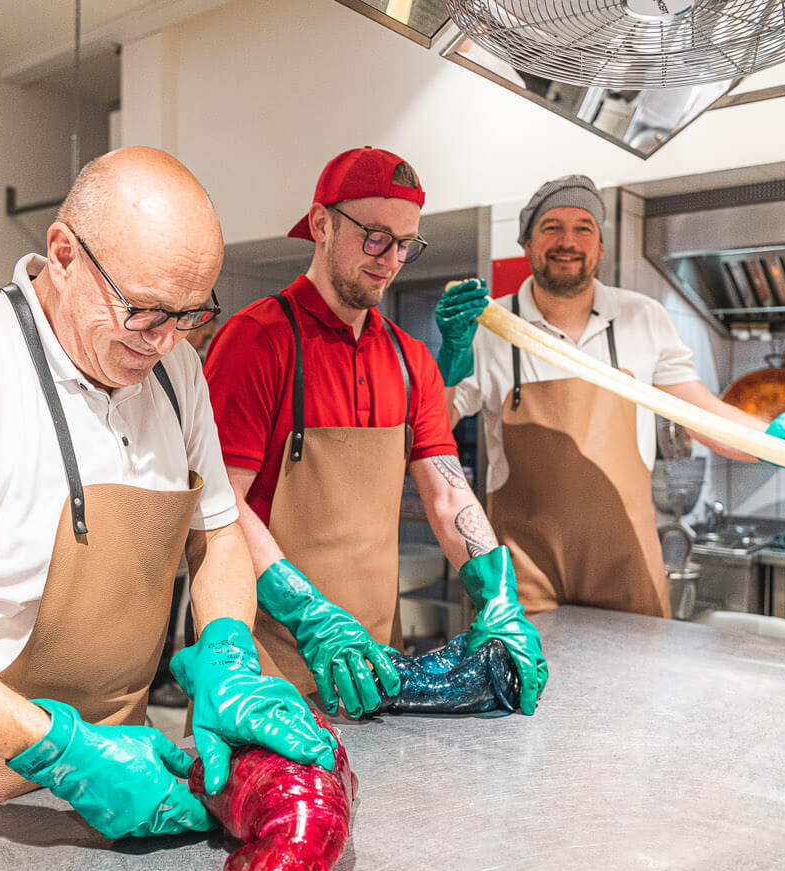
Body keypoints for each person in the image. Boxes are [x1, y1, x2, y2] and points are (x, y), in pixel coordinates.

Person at [0, 147, 335, 857]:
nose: (166, 340)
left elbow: (219, 536)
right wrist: (59, 749)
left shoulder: (177, 372)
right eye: (144, 310)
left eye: (190, 314)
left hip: (124, 784)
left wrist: (230, 652)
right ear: (62, 253)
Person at [202, 146, 548, 720]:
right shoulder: (257, 340)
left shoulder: (411, 360)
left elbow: (445, 491)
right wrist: (308, 612)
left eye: (407, 243)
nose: (391, 259)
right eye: (375, 237)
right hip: (263, 671)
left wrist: (498, 591)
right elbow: (221, 503)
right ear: (321, 224)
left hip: (373, 666)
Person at [435, 174, 785, 617]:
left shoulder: (642, 317)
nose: (567, 241)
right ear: (527, 243)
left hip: (626, 562)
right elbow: (431, 433)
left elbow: (704, 415)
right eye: (551, 226)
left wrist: (783, 445)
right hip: (525, 571)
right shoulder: (487, 326)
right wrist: (449, 363)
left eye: (584, 228)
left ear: (600, 247)